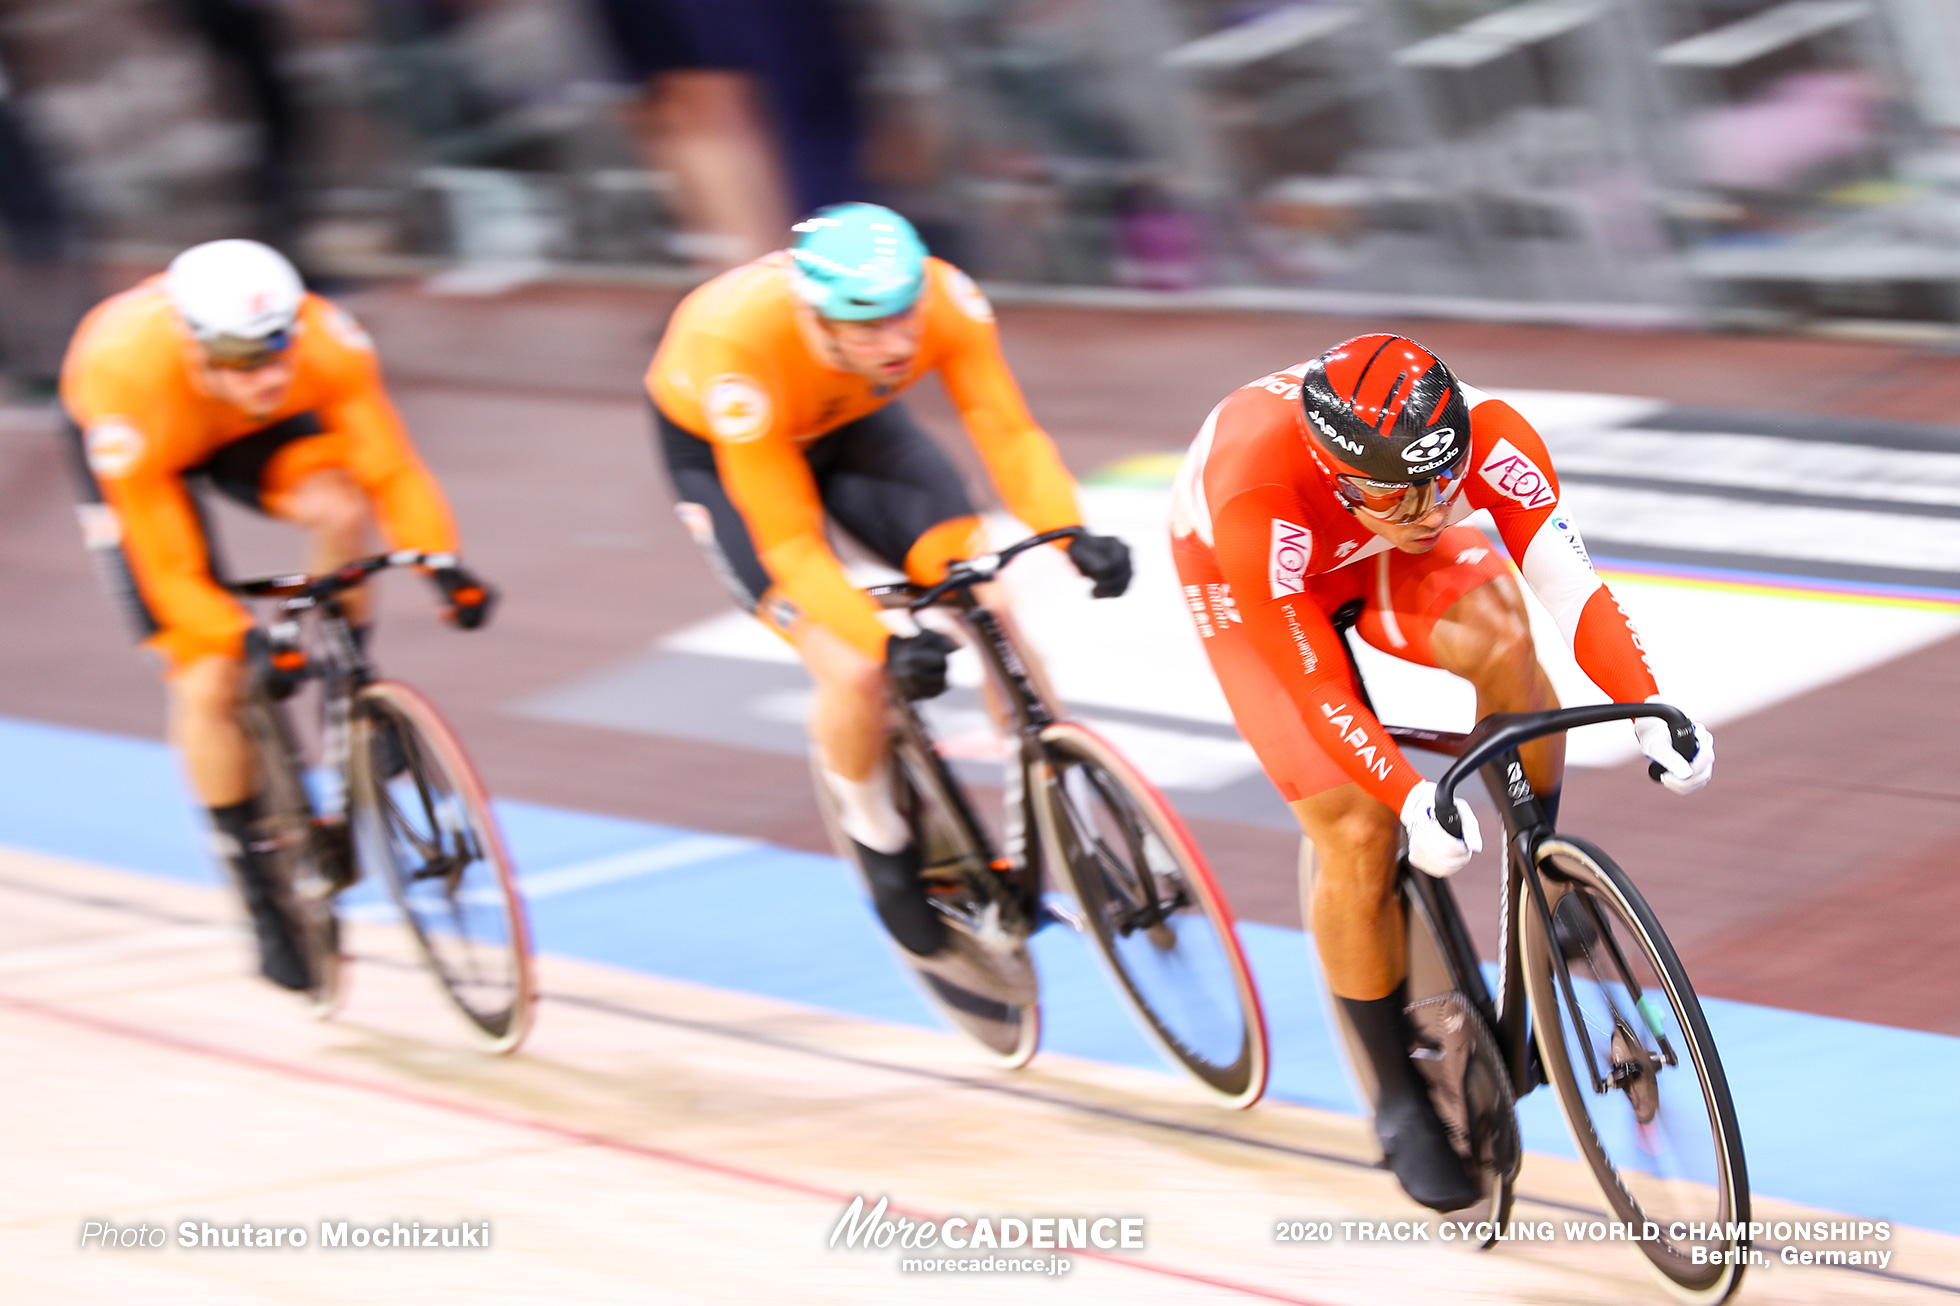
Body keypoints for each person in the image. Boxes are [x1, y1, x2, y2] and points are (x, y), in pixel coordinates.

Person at [1169, 334, 1713, 1210]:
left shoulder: (1488, 436)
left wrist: (1656, 707)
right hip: (1258, 575)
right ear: (1337, 467)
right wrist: (1410, 795)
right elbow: (1313, 686)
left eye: (1439, 483)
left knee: (1506, 639)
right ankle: (1395, 1095)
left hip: (1359, 544)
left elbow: (1573, 589)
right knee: (1357, 828)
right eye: (1395, 491)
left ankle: (1539, 871)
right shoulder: (1256, 493)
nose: (1425, 509)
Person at [646, 202, 1131, 990]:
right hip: (730, 452)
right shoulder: (738, 348)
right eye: (868, 328)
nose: (899, 343)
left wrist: (1070, 529)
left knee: (989, 600)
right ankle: (878, 840)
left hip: (852, 423)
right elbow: (792, 542)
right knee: (853, 672)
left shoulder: (947, 299)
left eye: (905, 319)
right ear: (814, 314)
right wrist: (886, 644)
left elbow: (1005, 430)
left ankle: (1053, 782)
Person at [59, 239, 495, 991]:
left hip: (245, 435)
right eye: (239, 358)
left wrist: (440, 563)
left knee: (339, 506)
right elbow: (169, 563)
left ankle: (348, 690)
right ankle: (260, 896)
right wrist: (232, 637)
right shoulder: (124, 376)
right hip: (149, 448)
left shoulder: (328, 341)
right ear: (195, 343)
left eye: (276, 352)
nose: (265, 376)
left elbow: (389, 469)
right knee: (210, 680)